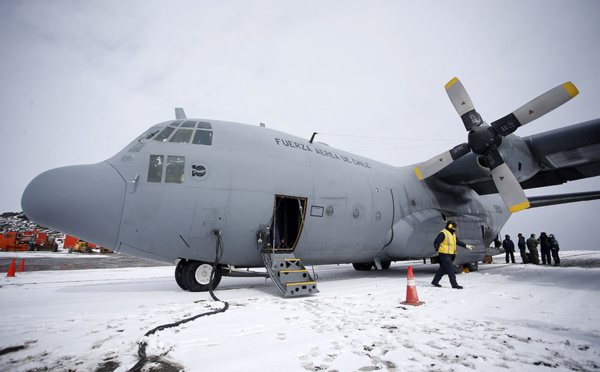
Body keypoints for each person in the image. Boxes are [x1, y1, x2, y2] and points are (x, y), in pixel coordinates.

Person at [431, 220, 474, 289]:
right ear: (450, 226)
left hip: (450, 254)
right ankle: (454, 284)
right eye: (453, 227)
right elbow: (436, 242)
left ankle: (435, 281)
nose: (454, 229)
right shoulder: (443, 233)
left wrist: (466, 246)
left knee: (443, 268)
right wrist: (437, 249)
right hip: (444, 254)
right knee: (451, 269)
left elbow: (458, 242)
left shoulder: (453, 234)